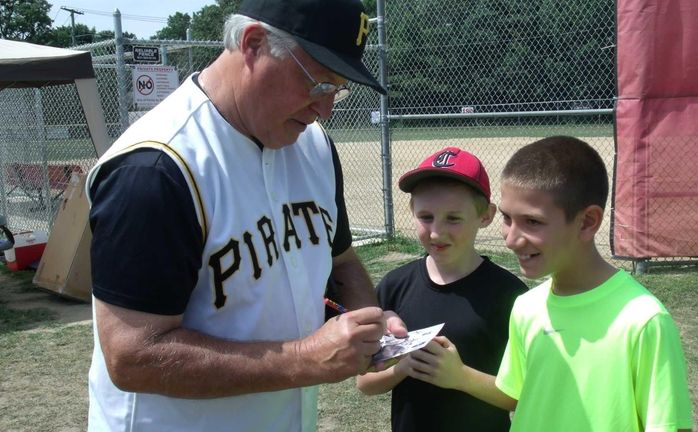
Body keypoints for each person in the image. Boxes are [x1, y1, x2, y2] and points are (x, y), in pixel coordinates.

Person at [85, 0, 406, 430]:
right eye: (318, 83)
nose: (325, 109)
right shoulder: (157, 168)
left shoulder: (314, 148)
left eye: (337, 88)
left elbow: (340, 260)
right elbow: (132, 356)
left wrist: (371, 327)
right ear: (253, 44)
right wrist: (303, 359)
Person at [495, 136, 693, 431]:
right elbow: (519, 396)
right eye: (507, 218)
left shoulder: (643, 320)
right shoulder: (526, 307)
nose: (511, 239)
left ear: (588, 222)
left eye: (532, 222)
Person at [356, 147, 526, 431]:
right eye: (426, 217)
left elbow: (523, 396)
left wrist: (460, 377)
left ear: (485, 215)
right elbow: (364, 383)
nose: (436, 232)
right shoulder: (395, 286)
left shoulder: (510, 296)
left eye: (453, 218)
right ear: (411, 211)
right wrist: (402, 368)